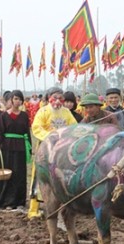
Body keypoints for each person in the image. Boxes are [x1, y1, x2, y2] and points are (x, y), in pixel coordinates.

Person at [28, 87, 77, 218]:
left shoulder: (66, 112)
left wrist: (68, 137)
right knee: (40, 176)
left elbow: (74, 126)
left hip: (63, 150)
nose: (57, 100)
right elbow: (36, 127)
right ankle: (33, 208)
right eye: (54, 97)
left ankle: (62, 205)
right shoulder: (42, 111)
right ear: (49, 97)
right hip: (46, 148)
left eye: (60, 98)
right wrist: (51, 137)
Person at [0, 90, 32, 210]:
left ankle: (20, 201)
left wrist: (29, 147)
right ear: (11, 100)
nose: (17, 101)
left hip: (21, 147)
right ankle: (8, 201)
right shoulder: (4, 115)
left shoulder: (25, 115)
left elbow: (27, 132)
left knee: (20, 174)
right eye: (15, 98)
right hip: (7, 147)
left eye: (20, 99)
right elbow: (0, 131)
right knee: (9, 173)